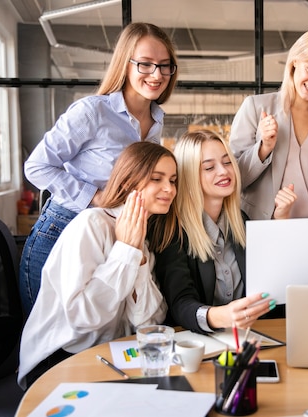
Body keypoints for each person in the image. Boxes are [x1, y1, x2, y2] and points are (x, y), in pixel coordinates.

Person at [19, 22, 179, 316]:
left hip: (110, 236)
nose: (156, 75)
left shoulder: (156, 121)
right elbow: (37, 166)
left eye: (164, 66)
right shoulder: (92, 111)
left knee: (99, 327)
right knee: (51, 339)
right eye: (145, 64)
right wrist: (96, 197)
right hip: (61, 231)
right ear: (125, 64)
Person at [17, 142, 178, 389]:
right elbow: (82, 319)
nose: (169, 189)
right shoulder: (91, 225)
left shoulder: (142, 238)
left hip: (110, 357)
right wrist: (125, 252)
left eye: (173, 180)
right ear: (127, 182)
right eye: (157, 179)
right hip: (59, 360)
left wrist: (139, 259)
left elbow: (149, 323)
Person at [155, 130, 293, 334]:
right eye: (209, 167)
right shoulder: (173, 231)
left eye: (227, 162)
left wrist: (280, 222)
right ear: (189, 175)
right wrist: (220, 316)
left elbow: (269, 286)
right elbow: (180, 304)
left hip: (248, 339)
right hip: (196, 345)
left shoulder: (240, 222)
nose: (223, 171)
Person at [229, 25, 308, 220]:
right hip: (267, 227)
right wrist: (263, 148)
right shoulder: (255, 107)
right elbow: (234, 181)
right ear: (295, 61)